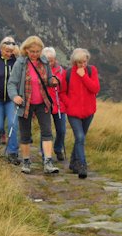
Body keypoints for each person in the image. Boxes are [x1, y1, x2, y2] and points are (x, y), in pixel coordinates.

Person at [7, 36, 60, 175]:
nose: (35, 54)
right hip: (25, 103)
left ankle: (48, 162)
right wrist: (15, 96)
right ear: (26, 50)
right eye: (32, 51)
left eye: (37, 51)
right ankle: (26, 161)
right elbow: (11, 83)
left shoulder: (44, 62)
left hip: (42, 103)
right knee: (25, 134)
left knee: (47, 132)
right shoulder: (20, 63)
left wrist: (53, 81)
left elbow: (48, 80)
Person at [60, 48, 99, 179]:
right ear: (74, 62)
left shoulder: (91, 70)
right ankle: (82, 165)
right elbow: (62, 92)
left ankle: (73, 163)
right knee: (80, 137)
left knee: (79, 139)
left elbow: (95, 88)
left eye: (84, 61)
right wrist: (69, 104)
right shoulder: (68, 73)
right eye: (79, 62)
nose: (83, 65)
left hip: (89, 111)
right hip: (73, 113)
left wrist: (84, 76)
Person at [42, 46, 67, 161]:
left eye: (51, 60)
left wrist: (58, 82)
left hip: (58, 104)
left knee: (61, 130)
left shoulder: (61, 70)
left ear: (55, 59)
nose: (49, 63)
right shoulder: (39, 70)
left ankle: (58, 148)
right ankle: (45, 154)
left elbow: (65, 87)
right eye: (47, 60)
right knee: (46, 131)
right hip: (45, 104)